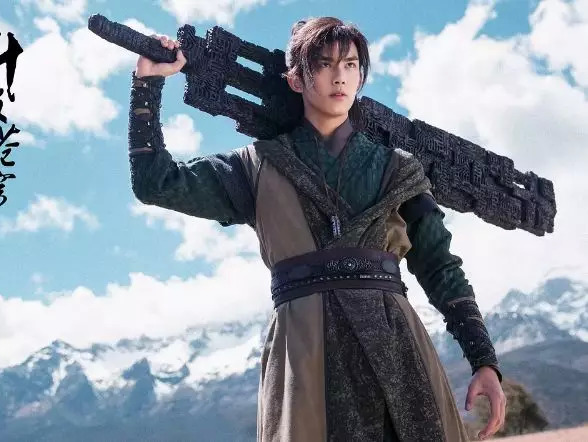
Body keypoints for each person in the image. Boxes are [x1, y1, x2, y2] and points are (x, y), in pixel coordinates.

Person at [128, 17, 506, 442]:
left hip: (398, 354)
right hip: (304, 354)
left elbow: (440, 268)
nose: (339, 76)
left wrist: (484, 361)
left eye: (350, 65)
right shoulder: (256, 167)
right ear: (296, 79)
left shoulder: (398, 168)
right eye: (324, 64)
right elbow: (156, 183)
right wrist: (147, 85)